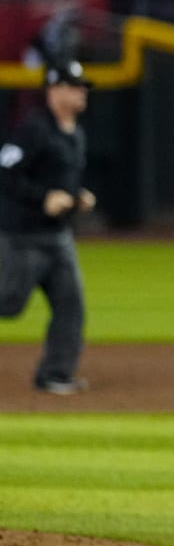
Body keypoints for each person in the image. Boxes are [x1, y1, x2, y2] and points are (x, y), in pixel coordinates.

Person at [0, 61, 96, 394]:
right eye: (75, 86)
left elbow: (62, 180)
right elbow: (5, 174)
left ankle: (56, 374)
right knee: (8, 305)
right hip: (24, 238)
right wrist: (42, 198)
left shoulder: (76, 132)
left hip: (58, 237)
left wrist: (76, 196)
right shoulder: (34, 128)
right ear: (54, 90)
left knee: (71, 306)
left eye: (83, 86)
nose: (82, 92)